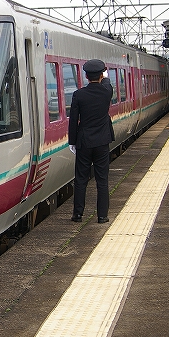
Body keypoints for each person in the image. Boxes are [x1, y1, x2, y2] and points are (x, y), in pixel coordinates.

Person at [68, 59, 115, 223]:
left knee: (81, 179)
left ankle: (77, 214)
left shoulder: (79, 95)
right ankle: (102, 216)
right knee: (102, 180)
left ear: (86, 76)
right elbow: (107, 83)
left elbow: (73, 120)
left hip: (84, 142)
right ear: (101, 75)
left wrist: (72, 141)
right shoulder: (106, 92)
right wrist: (104, 75)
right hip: (102, 142)